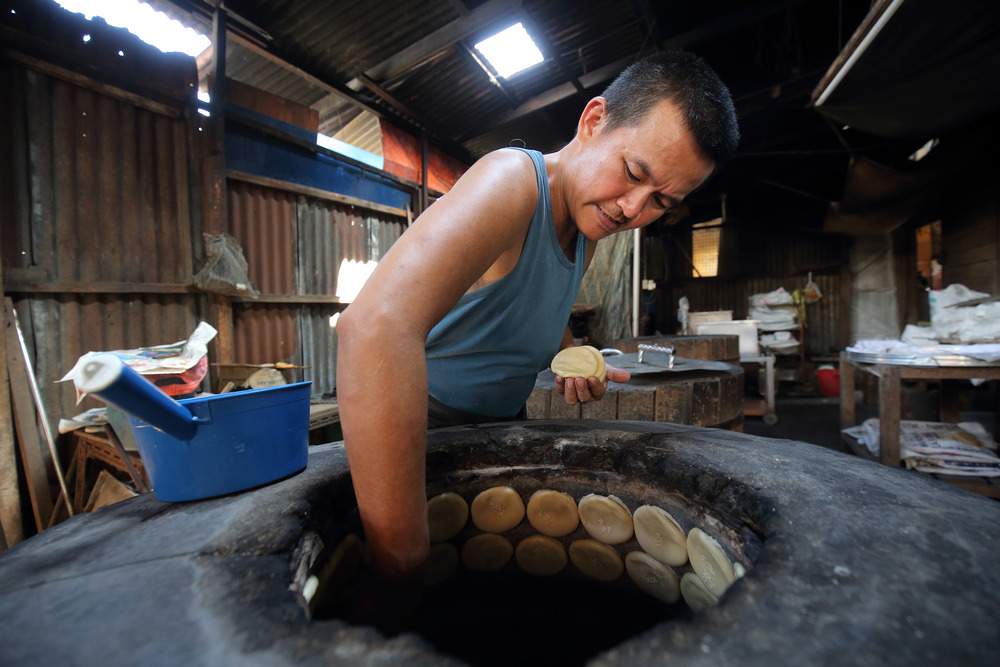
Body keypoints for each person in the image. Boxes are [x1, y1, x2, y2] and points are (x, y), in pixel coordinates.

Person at [336, 50, 739, 581]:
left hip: (499, 427)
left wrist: (573, 356)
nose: (633, 209)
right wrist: (401, 554)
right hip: (419, 434)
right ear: (594, 121)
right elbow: (373, 328)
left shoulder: (585, 230)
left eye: (662, 201)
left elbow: (521, 307)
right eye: (634, 172)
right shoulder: (512, 182)